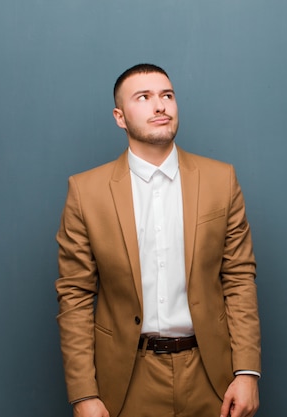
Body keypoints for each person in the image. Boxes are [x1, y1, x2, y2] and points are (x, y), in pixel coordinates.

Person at [55, 63, 261, 417]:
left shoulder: (220, 180)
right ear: (120, 117)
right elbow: (74, 296)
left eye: (167, 95)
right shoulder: (86, 191)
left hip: (211, 376)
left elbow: (239, 278)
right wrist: (83, 394)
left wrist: (247, 372)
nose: (160, 105)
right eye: (144, 97)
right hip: (126, 379)